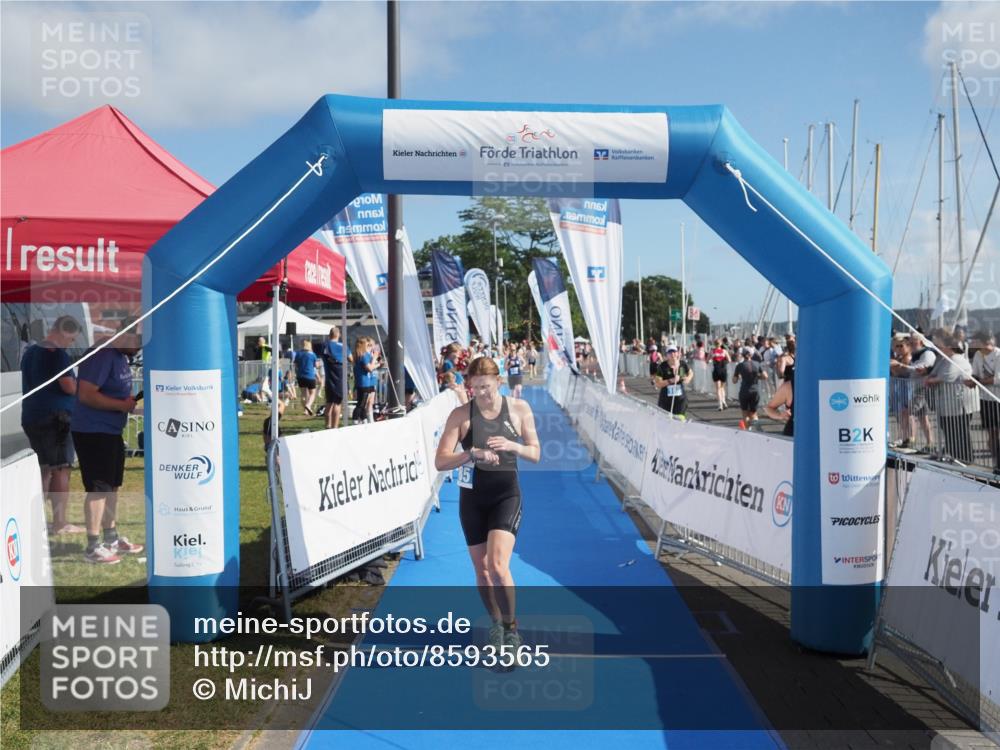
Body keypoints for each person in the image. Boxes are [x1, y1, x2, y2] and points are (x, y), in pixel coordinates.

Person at [434, 356, 541, 654]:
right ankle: (495, 623)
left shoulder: (519, 409)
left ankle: (511, 627)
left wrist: (512, 445)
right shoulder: (460, 415)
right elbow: (440, 460)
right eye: (476, 387)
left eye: (487, 386)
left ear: (499, 381)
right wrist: (472, 454)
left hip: (506, 495)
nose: (481, 393)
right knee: (481, 571)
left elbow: (535, 453)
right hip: (473, 500)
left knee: (497, 565)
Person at [70, 322, 144, 564]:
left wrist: (125, 402)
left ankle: (111, 538)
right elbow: (86, 394)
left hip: (111, 430)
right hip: (92, 431)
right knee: (99, 488)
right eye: (138, 342)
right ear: (126, 334)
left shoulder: (120, 356)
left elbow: (110, 391)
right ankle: (92, 547)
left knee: (112, 486)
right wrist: (121, 405)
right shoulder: (101, 354)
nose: (140, 349)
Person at [20, 315, 82, 535]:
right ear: (64, 331)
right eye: (72, 339)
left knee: (44, 470)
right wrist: (81, 386)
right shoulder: (57, 354)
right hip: (55, 419)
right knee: (61, 469)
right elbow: (68, 386)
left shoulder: (30, 353)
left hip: (31, 416)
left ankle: (35, 520)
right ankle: (60, 523)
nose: (71, 343)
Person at [926, 331, 976, 463]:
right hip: (947, 405)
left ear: (948, 347)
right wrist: (932, 379)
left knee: (959, 432)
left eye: (940, 346)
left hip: (959, 405)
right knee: (949, 431)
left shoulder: (956, 359)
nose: (938, 348)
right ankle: (954, 456)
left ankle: (965, 459)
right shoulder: (942, 359)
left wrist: (932, 381)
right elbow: (933, 374)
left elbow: (947, 377)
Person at [966, 331, 1000, 472]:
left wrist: (978, 381)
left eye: (974, 341)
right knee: (991, 432)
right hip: (985, 399)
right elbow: (975, 374)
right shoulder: (978, 355)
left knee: (997, 431)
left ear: (983, 342)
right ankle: (996, 463)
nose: (972, 344)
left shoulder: (998, 354)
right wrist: (971, 380)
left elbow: (997, 379)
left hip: (998, 399)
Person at [654, 346, 693, 418]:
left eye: (674, 352)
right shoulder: (662, 367)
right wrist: (670, 380)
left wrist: (688, 378)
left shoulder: (682, 364)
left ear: (678, 353)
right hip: (666, 400)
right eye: (670, 352)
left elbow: (691, 373)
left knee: (680, 419)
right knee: (666, 420)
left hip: (680, 399)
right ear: (667, 355)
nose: (672, 354)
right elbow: (658, 384)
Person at [733, 347, 764, 429]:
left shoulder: (739, 365)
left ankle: (748, 430)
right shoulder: (757, 364)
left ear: (743, 355)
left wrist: (739, 376)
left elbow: (734, 380)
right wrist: (757, 377)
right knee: (753, 413)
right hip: (755, 390)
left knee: (745, 413)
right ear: (751, 354)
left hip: (744, 391)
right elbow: (765, 376)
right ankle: (758, 431)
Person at [322, 327, 345, 429]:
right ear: (338, 335)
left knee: (329, 402)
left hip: (328, 378)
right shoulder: (342, 346)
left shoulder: (324, 346)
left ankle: (327, 425)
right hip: (339, 377)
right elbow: (350, 358)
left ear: (329, 335)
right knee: (337, 403)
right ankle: (335, 426)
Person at [353, 336, 379, 423]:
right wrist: (375, 358)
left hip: (364, 382)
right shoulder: (363, 356)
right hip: (364, 383)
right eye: (368, 345)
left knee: (363, 403)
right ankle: (356, 420)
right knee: (361, 404)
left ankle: (363, 420)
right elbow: (370, 368)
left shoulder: (361, 355)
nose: (370, 347)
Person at [765, 363, 795, 437]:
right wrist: (780, 415)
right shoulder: (789, 387)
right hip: (793, 436)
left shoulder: (825, 385)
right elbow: (769, 408)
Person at [295, 339, 318, 416]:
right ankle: (308, 405)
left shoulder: (298, 354)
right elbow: (316, 365)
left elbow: (296, 365)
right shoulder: (313, 354)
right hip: (310, 376)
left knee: (303, 394)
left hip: (300, 376)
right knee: (313, 393)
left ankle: (305, 410)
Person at [710, 339, 731, 410]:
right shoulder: (724, 351)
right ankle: (724, 401)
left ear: (714, 344)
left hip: (716, 370)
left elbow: (707, 360)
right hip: (723, 370)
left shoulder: (712, 351)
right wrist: (724, 362)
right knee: (722, 387)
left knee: (718, 388)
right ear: (721, 343)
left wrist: (711, 360)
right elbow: (729, 360)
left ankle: (720, 404)